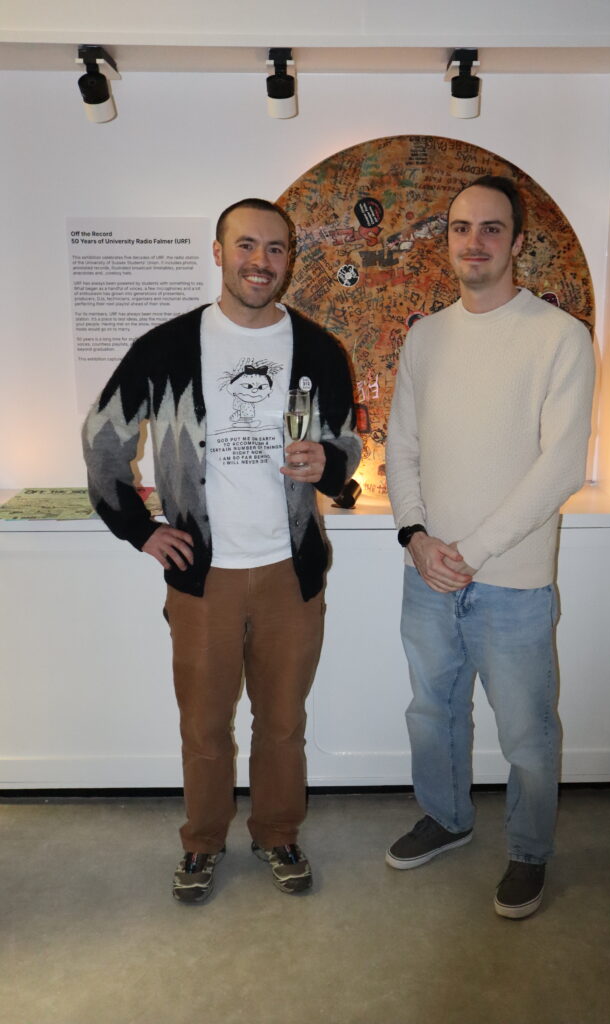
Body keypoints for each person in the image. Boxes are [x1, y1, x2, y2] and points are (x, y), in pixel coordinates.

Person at [83, 199, 360, 903]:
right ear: (218, 252)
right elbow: (104, 438)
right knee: (204, 727)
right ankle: (201, 843)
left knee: (283, 723)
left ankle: (277, 832)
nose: (260, 262)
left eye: (275, 248)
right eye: (246, 245)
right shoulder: (166, 347)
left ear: (288, 258)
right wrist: (141, 529)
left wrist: (327, 463)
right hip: (203, 576)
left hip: (289, 572)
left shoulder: (319, 350)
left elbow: (347, 444)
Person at [385, 175, 595, 919]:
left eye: (491, 229)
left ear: (516, 242)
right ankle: (446, 818)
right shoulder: (425, 337)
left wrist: (468, 550)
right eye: (460, 228)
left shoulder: (559, 337)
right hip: (427, 573)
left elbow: (560, 468)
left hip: (512, 580)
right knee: (431, 713)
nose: (473, 242)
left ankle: (529, 852)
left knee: (528, 735)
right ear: (447, 240)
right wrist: (415, 536)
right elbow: (401, 446)